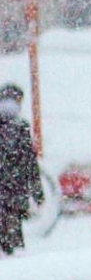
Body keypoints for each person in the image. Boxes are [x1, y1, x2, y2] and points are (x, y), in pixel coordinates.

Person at [0, 82, 43, 253]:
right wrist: (37, 193)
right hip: (15, 194)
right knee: (14, 241)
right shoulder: (21, 128)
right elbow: (30, 163)